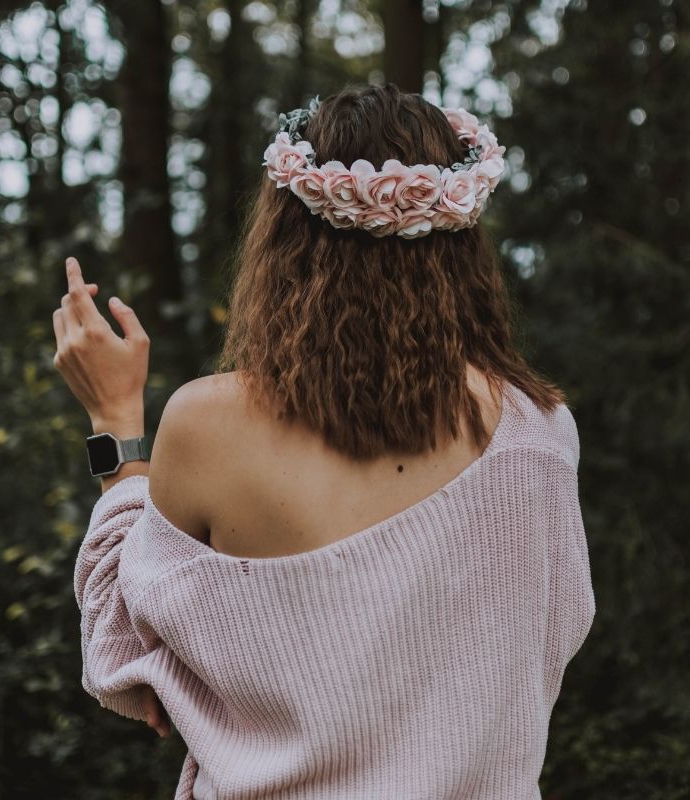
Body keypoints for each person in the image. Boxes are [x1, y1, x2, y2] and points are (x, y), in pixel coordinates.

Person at [51, 84, 594, 798]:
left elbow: (124, 651)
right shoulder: (540, 434)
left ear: (281, 238)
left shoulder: (208, 425)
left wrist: (115, 420)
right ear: (464, 244)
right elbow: (550, 640)